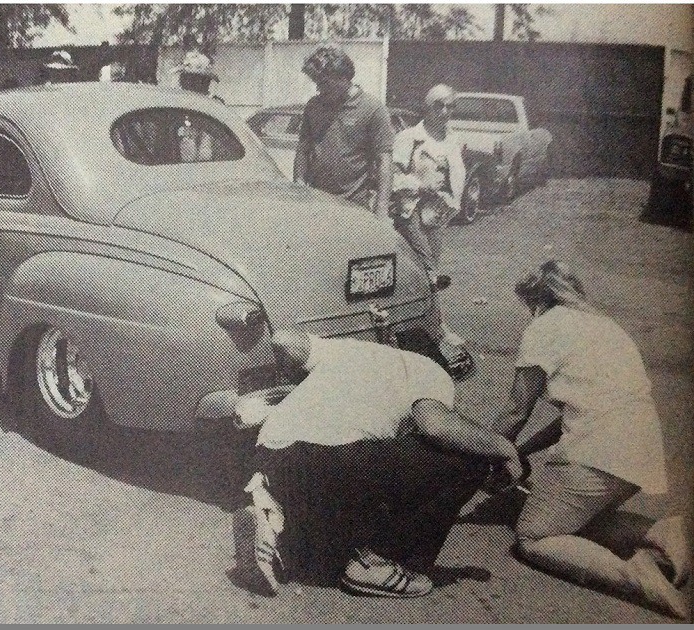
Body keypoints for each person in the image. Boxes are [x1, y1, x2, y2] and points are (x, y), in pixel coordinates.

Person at [233, 329, 524, 597]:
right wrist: (503, 449)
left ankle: (273, 521)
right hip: (329, 459)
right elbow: (434, 425)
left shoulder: (351, 349)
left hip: (269, 454)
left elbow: (283, 340)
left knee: (360, 461)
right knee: (469, 459)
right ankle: (378, 563)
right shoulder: (430, 370)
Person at [494, 260, 689, 619]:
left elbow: (516, 410)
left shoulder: (543, 327)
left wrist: (488, 452)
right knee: (575, 519)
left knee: (535, 535)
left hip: (599, 452)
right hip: (641, 449)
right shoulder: (603, 325)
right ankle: (657, 531)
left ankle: (634, 575)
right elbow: (576, 410)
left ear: (535, 302)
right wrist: (521, 451)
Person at [392, 84, 474, 379]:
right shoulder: (409, 138)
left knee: (429, 271)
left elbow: (456, 176)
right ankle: (438, 330)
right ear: (425, 107)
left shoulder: (454, 140)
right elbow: (393, 176)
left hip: (437, 215)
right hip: (410, 212)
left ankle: (421, 324)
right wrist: (421, 186)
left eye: (450, 106)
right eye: (439, 105)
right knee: (428, 272)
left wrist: (451, 203)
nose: (445, 112)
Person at [293, 46, 394, 219]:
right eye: (316, 82)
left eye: (324, 83)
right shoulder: (314, 106)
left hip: (355, 205)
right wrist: (299, 186)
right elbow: (303, 150)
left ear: (344, 78)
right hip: (316, 203)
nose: (318, 89)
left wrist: (381, 210)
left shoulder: (373, 109)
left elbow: (384, 160)